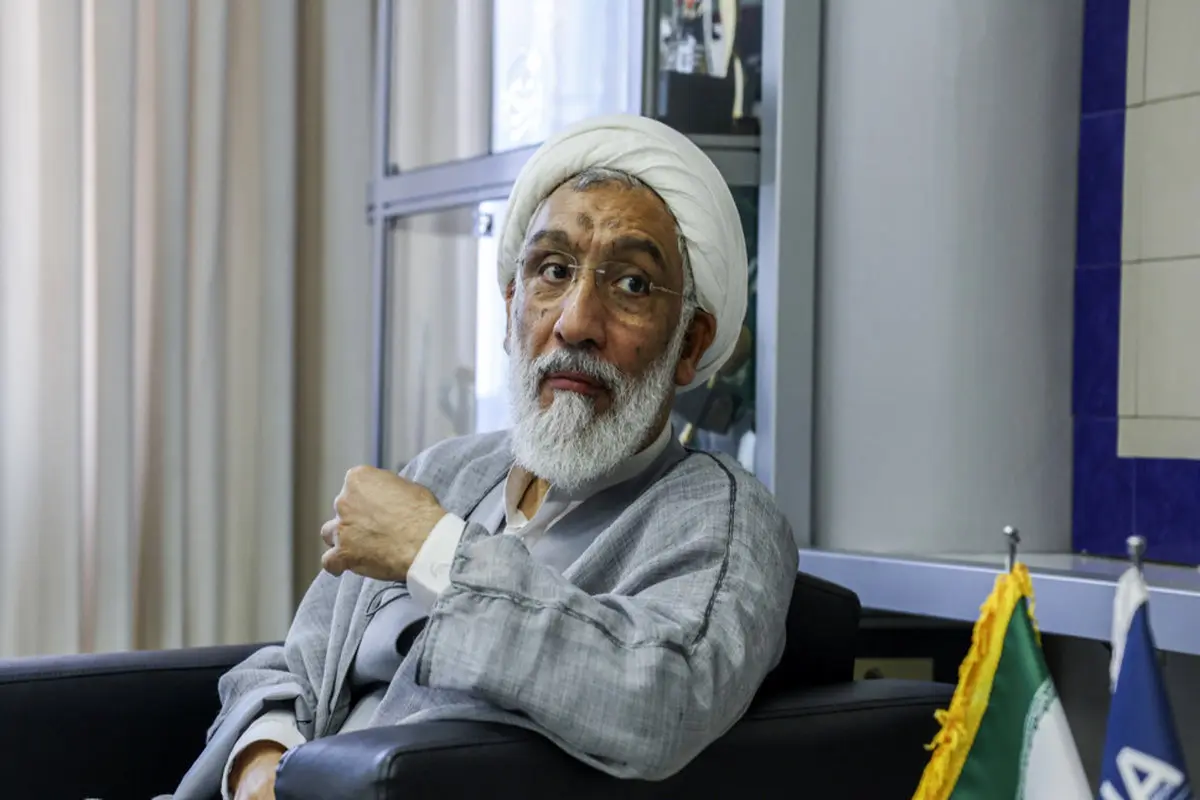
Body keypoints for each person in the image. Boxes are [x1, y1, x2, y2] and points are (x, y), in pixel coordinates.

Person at [171, 114, 798, 800]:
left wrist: (436, 553)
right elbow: (297, 665)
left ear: (690, 343)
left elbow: (663, 701)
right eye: (553, 272)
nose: (576, 323)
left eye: (632, 285)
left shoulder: (721, 518)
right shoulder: (444, 472)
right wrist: (265, 763)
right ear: (511, 308)